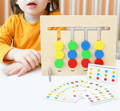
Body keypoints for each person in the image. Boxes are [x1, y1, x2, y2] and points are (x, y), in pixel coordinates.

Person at [0, 0, 60, 76]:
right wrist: (15, 53)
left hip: (48, 72)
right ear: (16, 1)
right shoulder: (13, 21)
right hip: (22, 75)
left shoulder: (57, 19)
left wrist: (29, 61)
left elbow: (63, 48)